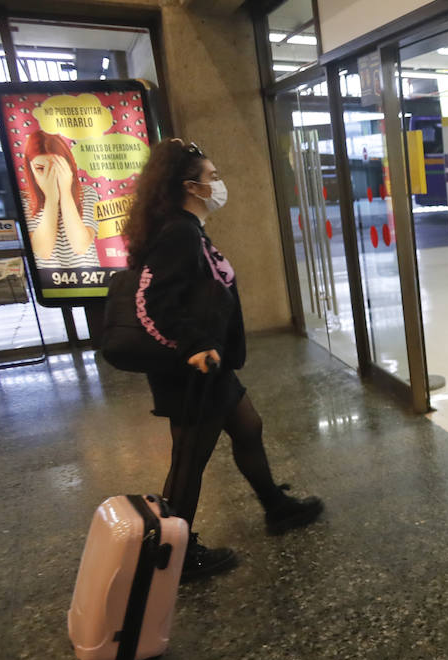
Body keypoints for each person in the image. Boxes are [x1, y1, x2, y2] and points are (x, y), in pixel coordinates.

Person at [125, 138, 323, 581]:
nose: (218, 185)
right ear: (190, 187)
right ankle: (174, 552)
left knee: (248, 427)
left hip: (212, 367)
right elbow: (152, 300)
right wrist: (192, 346)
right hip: (192, 370)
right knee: (190, 458)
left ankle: (275, 506)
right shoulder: (178, 232)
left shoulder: (189, 229)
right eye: (212, 178)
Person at [23, 130, 99, 269]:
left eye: (57, 167)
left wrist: (65, 193)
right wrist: (51, 198)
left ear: (68, 165)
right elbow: (42, 251)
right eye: (40, 168)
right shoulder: (26, 200)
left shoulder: (87, 193)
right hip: (49, 282)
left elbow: (80, 246)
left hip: (89, 278)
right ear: (30, 169)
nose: (50, 175)